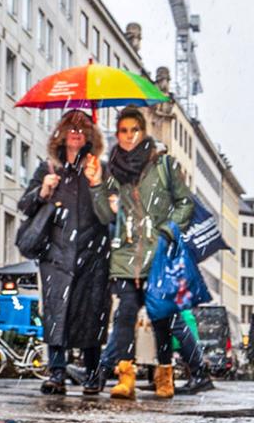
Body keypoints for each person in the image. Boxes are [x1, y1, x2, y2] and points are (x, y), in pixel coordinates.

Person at [89, 109, 215, 400]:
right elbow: (104, 215)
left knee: (162, 318)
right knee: (124, 316)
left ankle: (164, 376)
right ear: (117, 134)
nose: (129, 135)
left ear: (143, 132)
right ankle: (125, 376)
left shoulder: (163, 165)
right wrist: (97, 186)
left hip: (158, 256)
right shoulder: (113, 171)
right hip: (126, 257)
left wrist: (168, 231)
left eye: (134, 129)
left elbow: (185, 203)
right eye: (122, 130)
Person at [18, 110, 112, 396]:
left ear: (90, 136)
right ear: (60, 133)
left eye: (82, 128)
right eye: (70, 127)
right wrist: (43, 191)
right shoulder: (48, 168)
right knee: (56, 313)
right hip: (56, 255)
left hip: (92, 254)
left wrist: (96, 184)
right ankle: (56, 373)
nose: (76, 132)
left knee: (91, 313)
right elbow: (25, 206)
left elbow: (107, 216)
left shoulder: (99, 168)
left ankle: (93, 374)